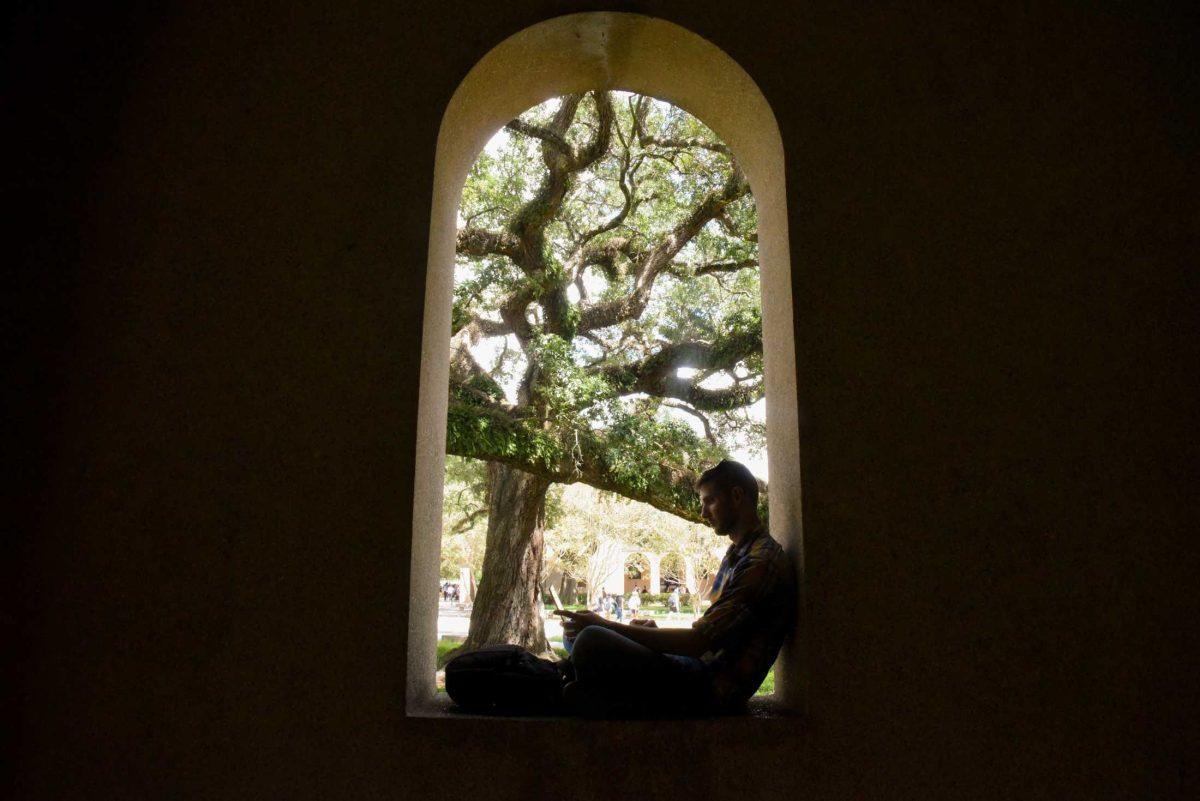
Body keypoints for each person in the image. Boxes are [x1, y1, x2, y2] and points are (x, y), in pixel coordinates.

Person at [555, 460, 794, 717]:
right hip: (695, 667)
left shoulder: (760, 562)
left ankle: (610, 694)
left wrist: (606, 625)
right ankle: (603, 692)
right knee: (576, 636)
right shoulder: (739, 552)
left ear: (737, 496)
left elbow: (698, 643)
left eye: (710, 501)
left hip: (708, 688)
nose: (703, 513)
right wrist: (652, 635)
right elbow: (710, 634)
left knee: (591, 638)